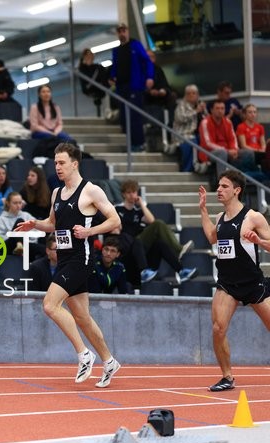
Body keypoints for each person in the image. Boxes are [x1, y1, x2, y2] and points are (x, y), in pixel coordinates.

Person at [15, 143, 122, 388]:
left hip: (81, 259)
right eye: (55, 163)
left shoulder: (91, 191)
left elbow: (114, 219)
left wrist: (89, 231)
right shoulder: (56, 193)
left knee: (50, 305)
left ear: (75, 164)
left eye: (62, 162)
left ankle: (84, 354)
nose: (58, 167)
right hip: (63, 258)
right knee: (83, 318)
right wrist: (35, 224)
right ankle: (109, 361)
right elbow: (53, 224)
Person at [198, 170, 270, 391]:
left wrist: (258, 240)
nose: (219, 190)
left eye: (224, 186)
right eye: (218, 186)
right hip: (227, 284)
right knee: (218, 329)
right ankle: (227, 377)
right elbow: (212, 237)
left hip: (253, 283)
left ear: (237, 190)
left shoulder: (253, 217)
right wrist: (203, 210)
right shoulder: (220, 218)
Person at [115, 179, 196, 285]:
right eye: (129, 192)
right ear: (123, 194)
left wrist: (142, 205)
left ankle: (181, 271)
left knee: (160, 244)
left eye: (134, 192)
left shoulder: (138, 211)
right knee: (157, 225)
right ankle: (177, 251)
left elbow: (150, 220)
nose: (132, 195)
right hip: (127, 246)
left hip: (140, 247)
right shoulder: (117, 209)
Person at [110, 22, 153, 152]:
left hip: (134, 86)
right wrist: (112, 76)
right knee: (124, 118)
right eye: (119, 31)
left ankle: (139, 143)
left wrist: (149, 77)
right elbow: (115, 67)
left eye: (124, 31)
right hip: (122, 87)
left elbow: (147, 61)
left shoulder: (135, 45)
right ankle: (131, 143)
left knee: (135, 116)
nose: (122, 34)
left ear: (127, 32)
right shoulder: (116, 51)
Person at [198, 100, 254, 176]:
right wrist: (227, 151)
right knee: (222, 153)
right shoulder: (205, 122)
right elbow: (207, 143)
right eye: (217, 108)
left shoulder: (228, 122)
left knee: (248, 153)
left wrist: (234, 150)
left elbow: (233, 139)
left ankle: (243, 178)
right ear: (211, 110)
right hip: (209, 152)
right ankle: (222, 183)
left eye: (222, 108)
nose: (220, 111)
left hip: (228, 151)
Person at [169, 84, 206, 172]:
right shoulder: (181, 105)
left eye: (194, 93)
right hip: (182, 134)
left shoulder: (199, 105)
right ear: (185, 95)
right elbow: (181, 118)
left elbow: (207, 120)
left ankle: (204, 165)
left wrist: (203, 111)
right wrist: (196, 111)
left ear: (197, 95)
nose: (191, 95)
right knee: (192, 142)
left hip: (195, 134)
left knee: (205, 141)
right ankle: (187, 169)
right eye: (188, 93)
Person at [0, 191, 38, 256]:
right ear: (8, 203)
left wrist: (25, 240)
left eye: (20, 203)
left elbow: (36, 232)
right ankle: (18, 243)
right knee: (20, 221)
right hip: (8, 245)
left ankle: (20, 245)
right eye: (15, 203)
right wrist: (14, 239)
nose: (18, 205)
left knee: (44, 249)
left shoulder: (27, 216)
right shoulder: (2, 219)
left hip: (26, 244)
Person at [78, 48, 108, 115]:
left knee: (104, 111)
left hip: (102, 94)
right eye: (87, 55)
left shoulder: (99, 67)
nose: (89, 56)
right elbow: (84, 86)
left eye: (91, 54)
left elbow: (105, 79)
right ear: (84, 57)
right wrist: (83, 65)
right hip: (90, 95)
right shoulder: (82, 70)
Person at [236, 103, 266, 169]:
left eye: (254, 112)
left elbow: (263, 143)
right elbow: (243, 145)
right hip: (249, 152)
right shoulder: (241, 127)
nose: (253, 114)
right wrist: (257, 150)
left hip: (259, 152)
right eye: (250, 112)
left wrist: (263, 149)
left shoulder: (260, 127)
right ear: (245, 114)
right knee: (250, 153)